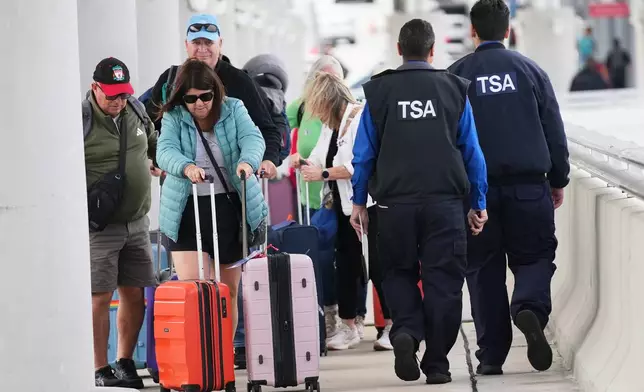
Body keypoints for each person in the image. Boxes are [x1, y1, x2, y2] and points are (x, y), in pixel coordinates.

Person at [350, 19, 488, 385]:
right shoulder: (454, 90)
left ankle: (407, 332)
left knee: (397, 272)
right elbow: (471, 151)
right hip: (445, 204)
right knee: (444, 281)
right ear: (432, 51)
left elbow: (363, 155)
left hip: (394, 206)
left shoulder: (379, 93)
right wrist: (479, 201)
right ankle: (438, 365)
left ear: (399, 50)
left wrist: (359, 201)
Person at [448, 0, 570, 376]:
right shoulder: (530, 71)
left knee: (482, 271)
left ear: (473, 31)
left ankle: (491, 357)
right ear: (508, 29)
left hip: (476, 195)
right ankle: (529, 309)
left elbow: (447, 140)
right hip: (528, 187)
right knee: (534, 257)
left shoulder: (456, 77)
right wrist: (559, 178)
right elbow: (553, 128)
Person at [156, 58, 268, 347]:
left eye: (206, 96)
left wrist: (247, 162)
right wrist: (185, 167)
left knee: (228, 289)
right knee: (196, 289)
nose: (199, 104)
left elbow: (253, 138)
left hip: (228, 206)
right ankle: (201, 358)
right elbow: (164, 150)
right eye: (191, 99)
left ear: (215, 92)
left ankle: (222, 356)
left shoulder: (234, 109)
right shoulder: (175, 116)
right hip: (187, 208)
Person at [300, 72, 394, 352]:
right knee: (347, 265)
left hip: (371, 203)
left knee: (379, 265)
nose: (318, 116)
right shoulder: (332, 125)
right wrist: (304, 162)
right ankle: (348, 326)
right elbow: (320, 154)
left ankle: (392, 323)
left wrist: (324, 173)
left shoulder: (358, 119)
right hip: (344, 205)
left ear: (329, 102)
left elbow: (359, 164)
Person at [84, 57, 160, 388]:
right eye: (111, 95)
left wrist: (162, 163)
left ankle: (124, 361)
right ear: (94, 88)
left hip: (137, 222)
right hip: (100, 227)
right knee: (99, 296)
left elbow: (155, 144)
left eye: (123, 95)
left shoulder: (136, 112)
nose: (118, 102)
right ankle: (100, 369)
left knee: (134, 293)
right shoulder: (81, 120)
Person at [145, 13, 282, 180]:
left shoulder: (239, 81)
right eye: (196, 42)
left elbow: (265, 128)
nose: (202, 49)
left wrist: (268, 159)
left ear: (220, 44)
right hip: (181, 184)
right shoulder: (170, 79)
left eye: (208, 42)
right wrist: (159, 158)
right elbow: (150, 125)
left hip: (232, 183)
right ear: (186, 44)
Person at [232, 53, 291, 368]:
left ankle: (237, 341)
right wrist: (270, 161)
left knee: (231, 271)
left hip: (229, 192)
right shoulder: (278, 104)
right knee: (252, 265)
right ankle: (256, 340)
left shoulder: (239, 101)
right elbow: (281, 146)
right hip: (254, 197)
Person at [286, 55, 346, 339]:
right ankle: (328, 314)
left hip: (338, 198)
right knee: (319, 259)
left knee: (346, 258)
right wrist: (292, 159)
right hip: (310, 200)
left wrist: (322, 172)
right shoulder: (299, 108)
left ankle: (351, 317)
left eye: (333, 79)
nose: (327, 85)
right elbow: (281, 139)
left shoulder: (349, 111)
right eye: (321, 79)